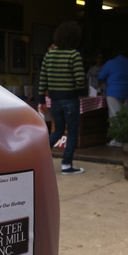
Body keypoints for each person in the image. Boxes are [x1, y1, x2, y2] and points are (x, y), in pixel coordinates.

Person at [38, 21, 86, 175]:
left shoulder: (49, 55)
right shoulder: (74, 54)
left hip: (55, 100)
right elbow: (80, 80)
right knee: (71, 132)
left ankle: (39, 158)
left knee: (58, 130)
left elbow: (42, 79)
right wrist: (79, 88)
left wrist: (41, 100)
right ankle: (66, 165)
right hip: (70, 99)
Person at [97, 45, 128, 147]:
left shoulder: (110, 63)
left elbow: (101, 76)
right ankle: (125, 139)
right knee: (125, 116)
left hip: (113, 91)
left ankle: (117, 140)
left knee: (114, 116)